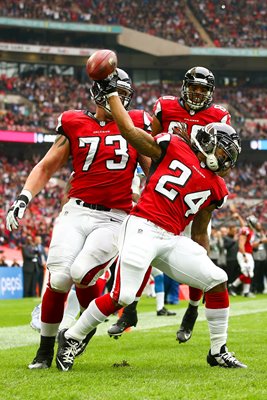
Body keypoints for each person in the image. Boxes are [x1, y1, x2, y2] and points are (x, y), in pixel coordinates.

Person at [55, 75, 246, 371]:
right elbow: (131, 133)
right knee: (124, 295)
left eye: (227, 156)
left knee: (216, 278)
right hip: (143, 226)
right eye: (222, 151)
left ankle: (218, 350)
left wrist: (199, 262)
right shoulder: (173, 145)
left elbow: (199, 232)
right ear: (208, 142)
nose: (223, 159)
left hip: (171, 238)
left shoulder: (217, 187)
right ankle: (72, 337)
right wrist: (113, 97)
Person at [6, 68, 152, 370]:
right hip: (76, 210)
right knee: (58, 278)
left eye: (124, 96)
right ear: (99, 93)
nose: (120, 102)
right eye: (115, 94)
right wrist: (23, 198)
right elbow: (46, 166)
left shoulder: (137, 122)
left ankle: (79, 331)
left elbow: (155, 167)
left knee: (83, 272)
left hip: (115, 217)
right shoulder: (73, 121)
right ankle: (45, 352)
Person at [107, 66, 232, 343]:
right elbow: (150, 143)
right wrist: (152, 178)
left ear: (210, 92)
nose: (198, 93)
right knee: (141, 250)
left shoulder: (219, 116)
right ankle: (130, 308)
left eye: (203, 89)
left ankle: (192, 309)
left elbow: (226, 161)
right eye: (194, 87)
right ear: (184, 87)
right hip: (165, 187)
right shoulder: (165, 106)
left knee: (199, 244)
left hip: (195, 191)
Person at [228, 215, 261, 297]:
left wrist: (260, 242)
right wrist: (244, 255)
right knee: (246, 273)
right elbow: (241, 244)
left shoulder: (249, 230)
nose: (256, 224)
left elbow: (250, 244)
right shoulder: (246, 230)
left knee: (250, 273)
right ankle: (232, 286)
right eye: (255, 222)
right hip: (244, 253)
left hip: (248, 253)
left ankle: (246, 292)